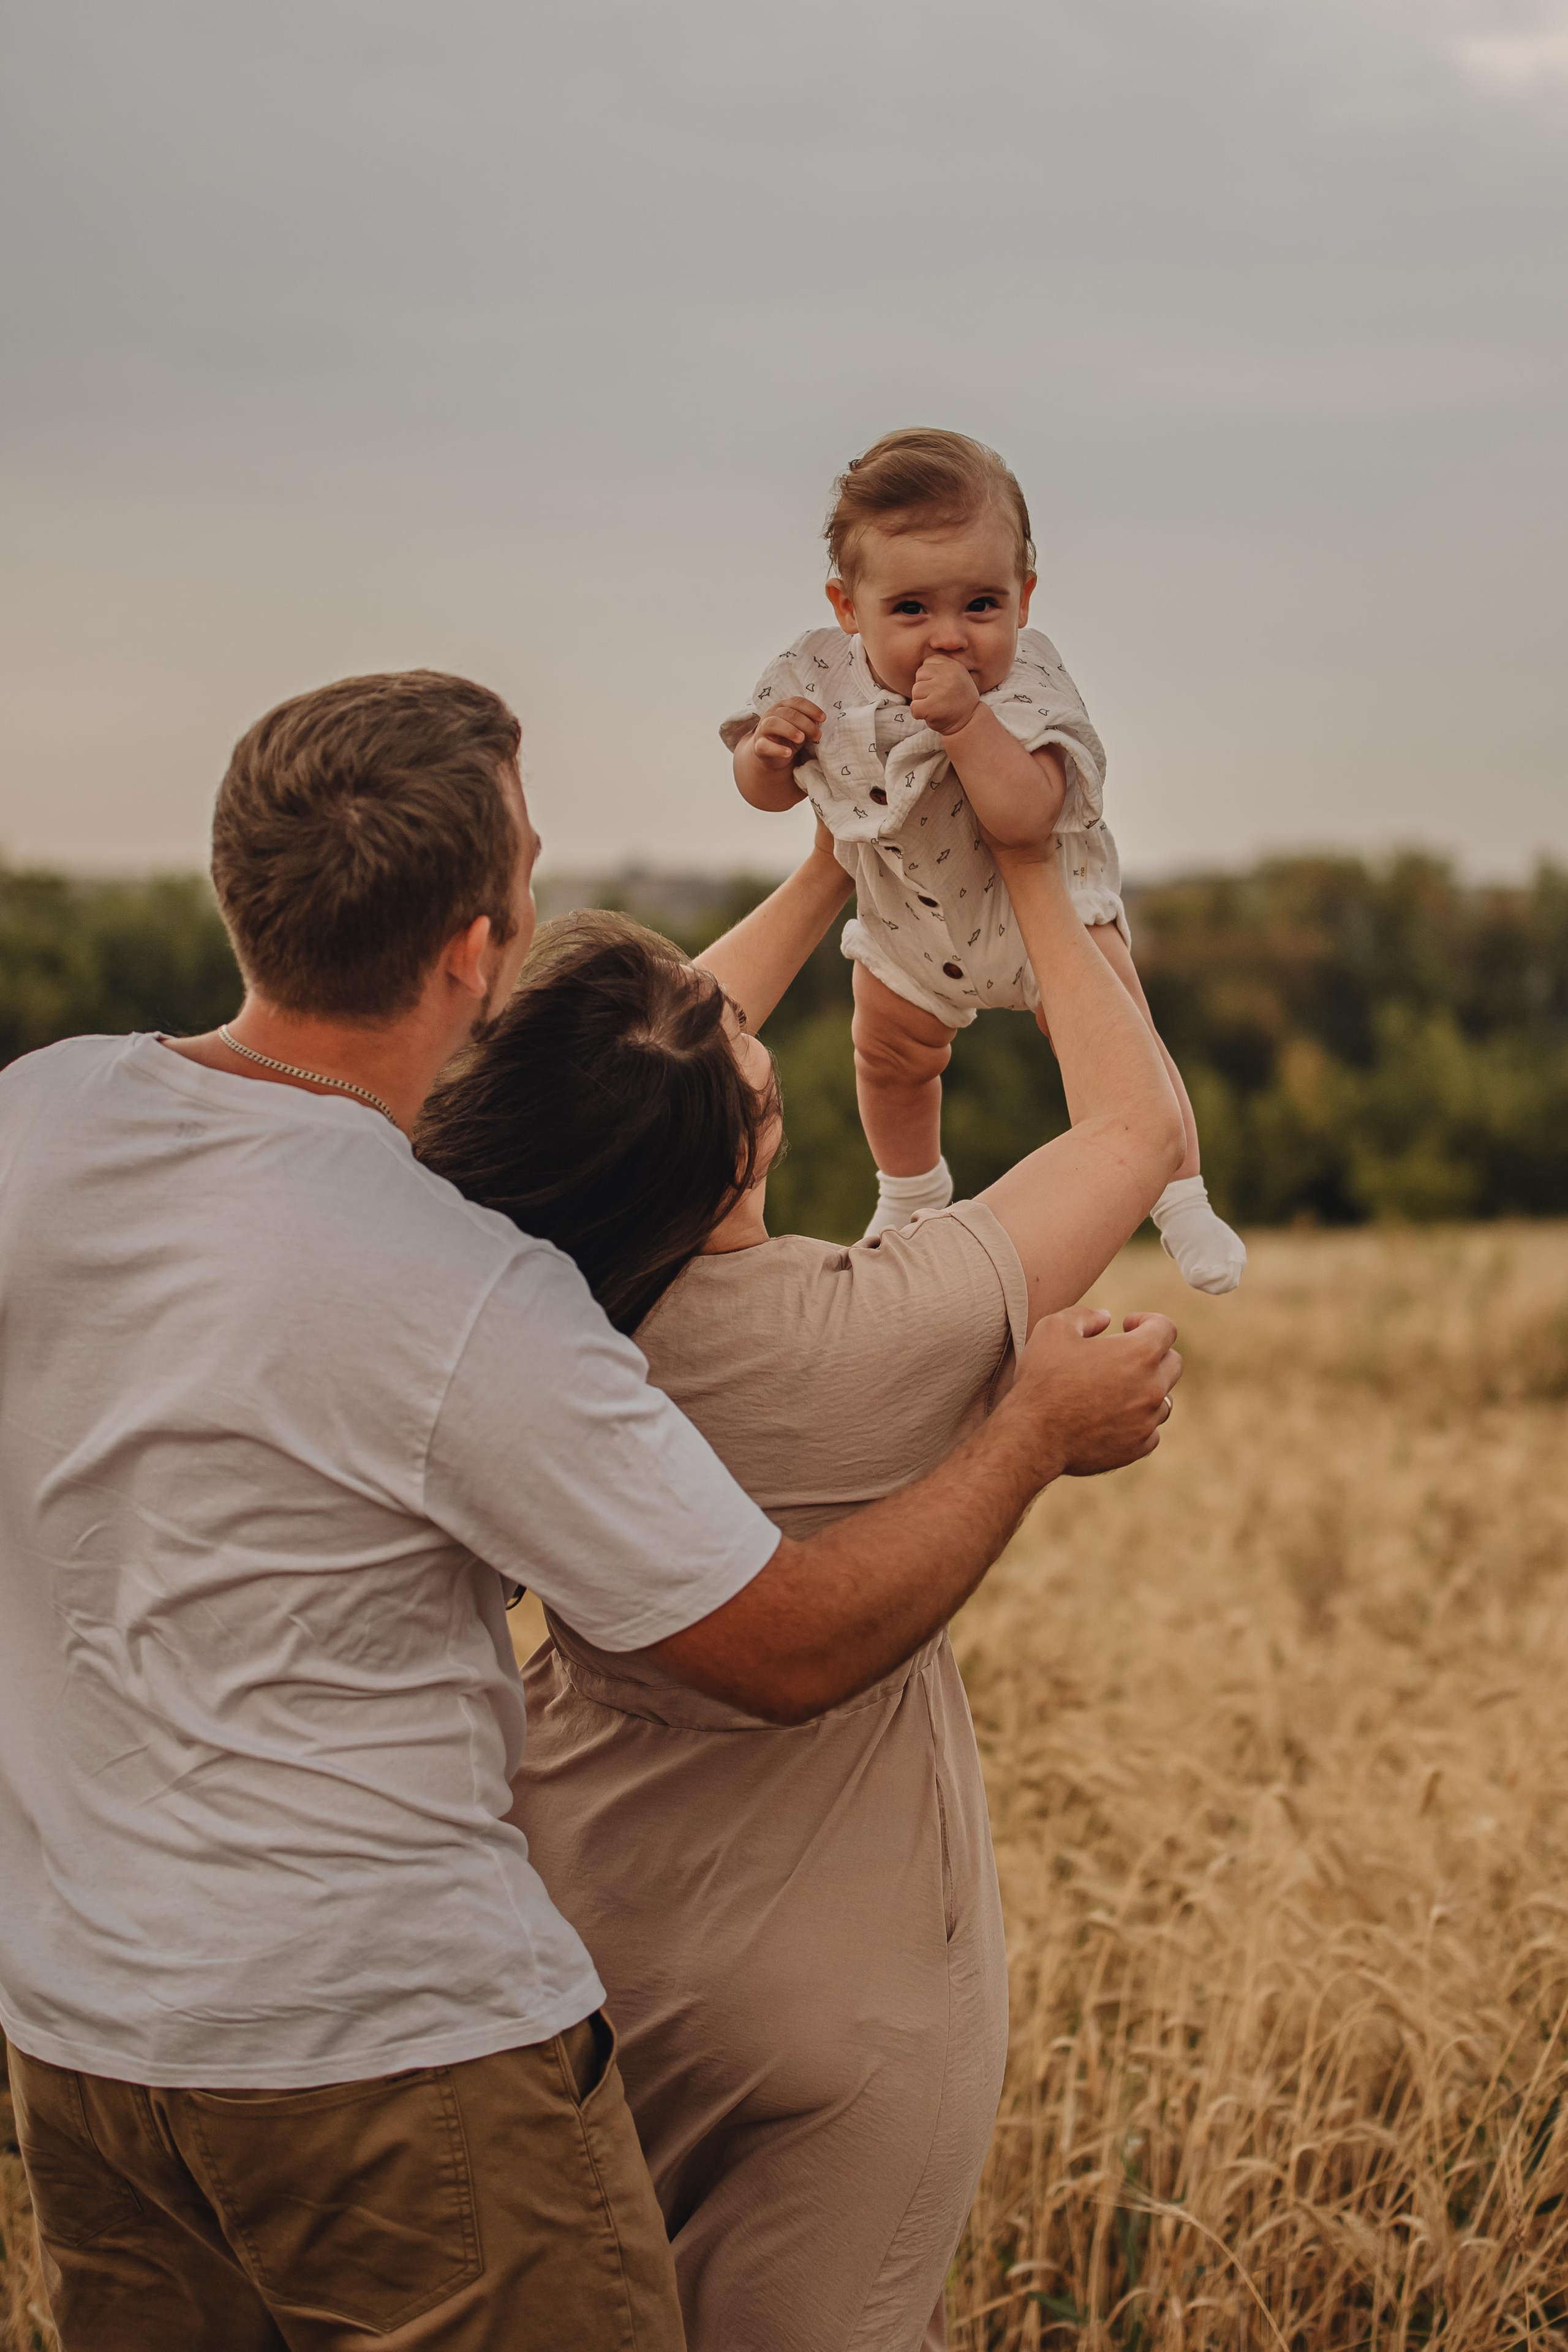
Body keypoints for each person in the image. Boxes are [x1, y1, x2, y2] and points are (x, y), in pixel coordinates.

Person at [0, 670, 1182, 2352]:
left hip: (86, 2035)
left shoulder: (43, 1125)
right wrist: (1022, 1437)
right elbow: (780, 1646)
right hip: (387, 2056)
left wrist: (843, 865)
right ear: (477, 948)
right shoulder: (469, 1283)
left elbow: (609, 1076)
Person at [415, 797, 1188, 2350]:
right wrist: (1035, 869)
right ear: (754, 1139)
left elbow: (608, 1091)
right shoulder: (878, 1329)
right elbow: (1136, 1131)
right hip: (848, 1999)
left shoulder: (513, 1307)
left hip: (576, 1942)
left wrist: (836, 861)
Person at [722, 424, 1246, 1293]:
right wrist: (768, 757)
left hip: (1048, 921)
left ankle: (1183, 1198)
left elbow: (1028, 816)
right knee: (887, 1057)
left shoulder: (1026, 682)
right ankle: (911, 1190)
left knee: (1126, 1052)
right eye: (912, 610)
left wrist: (969, 724)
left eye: (980, 606)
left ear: (1024, 597)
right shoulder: (818, 675)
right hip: (907, 926)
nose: (949, 638)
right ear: (848, 609)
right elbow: (769, 794)